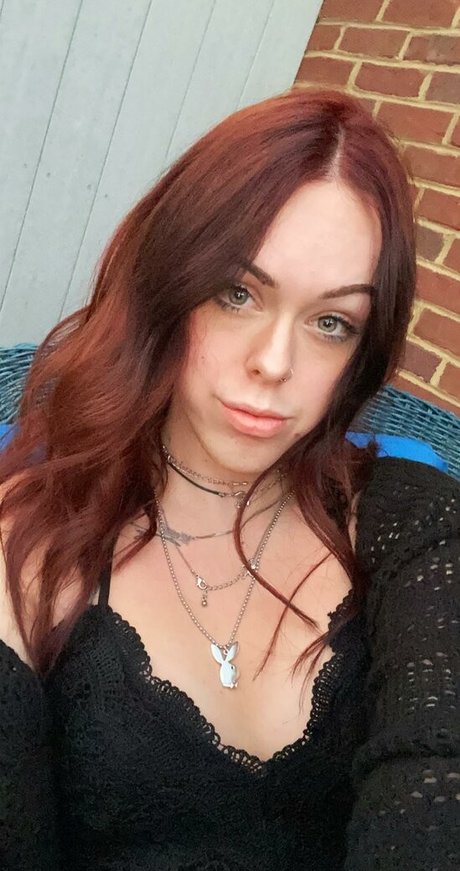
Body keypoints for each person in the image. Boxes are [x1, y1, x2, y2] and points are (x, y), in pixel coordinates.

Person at [0, 88, 458, 871]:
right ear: (166, 286)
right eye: (237, 293)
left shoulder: (415, 524)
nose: (274, 363)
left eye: (331, 322)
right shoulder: (26, 553)